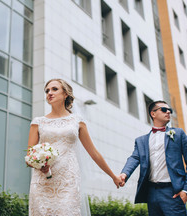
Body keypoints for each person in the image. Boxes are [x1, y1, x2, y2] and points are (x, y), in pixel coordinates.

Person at [27, 78, 122, 215]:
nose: (49, 93)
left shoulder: (77, 121)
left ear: (65, 94)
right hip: (43, 181)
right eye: (47, 90)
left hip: (68, 180)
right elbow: (29, 157)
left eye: (54, 89)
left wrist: (113, 176)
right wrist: (40, 165)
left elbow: (94, 153)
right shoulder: (38, 122)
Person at [119, 100, 187, 216]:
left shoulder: (178, 134)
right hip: (151, 193)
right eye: (163, 109)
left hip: (173, 192)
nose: (168, 112)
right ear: (153, 114)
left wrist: (186, 190)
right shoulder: (141, 141)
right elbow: (134, 158)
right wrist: (124, 174)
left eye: (169, 110)